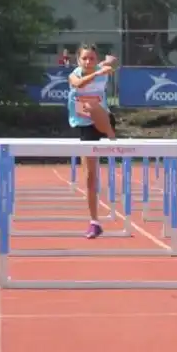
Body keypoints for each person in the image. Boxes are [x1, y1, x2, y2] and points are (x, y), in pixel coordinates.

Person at [67, 44, 118, 239]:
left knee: (91, 106)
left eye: (92, 59)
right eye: (85, 59)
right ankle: (94, 222)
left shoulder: (101, 68)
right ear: (78, 61)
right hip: (85, 126)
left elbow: (112, 61)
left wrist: (110, 62)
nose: (88, 62)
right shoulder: (74, 75)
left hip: (103, 119)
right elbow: (78, 84)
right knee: (90, 177)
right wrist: (99, 73)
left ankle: (112, 138)